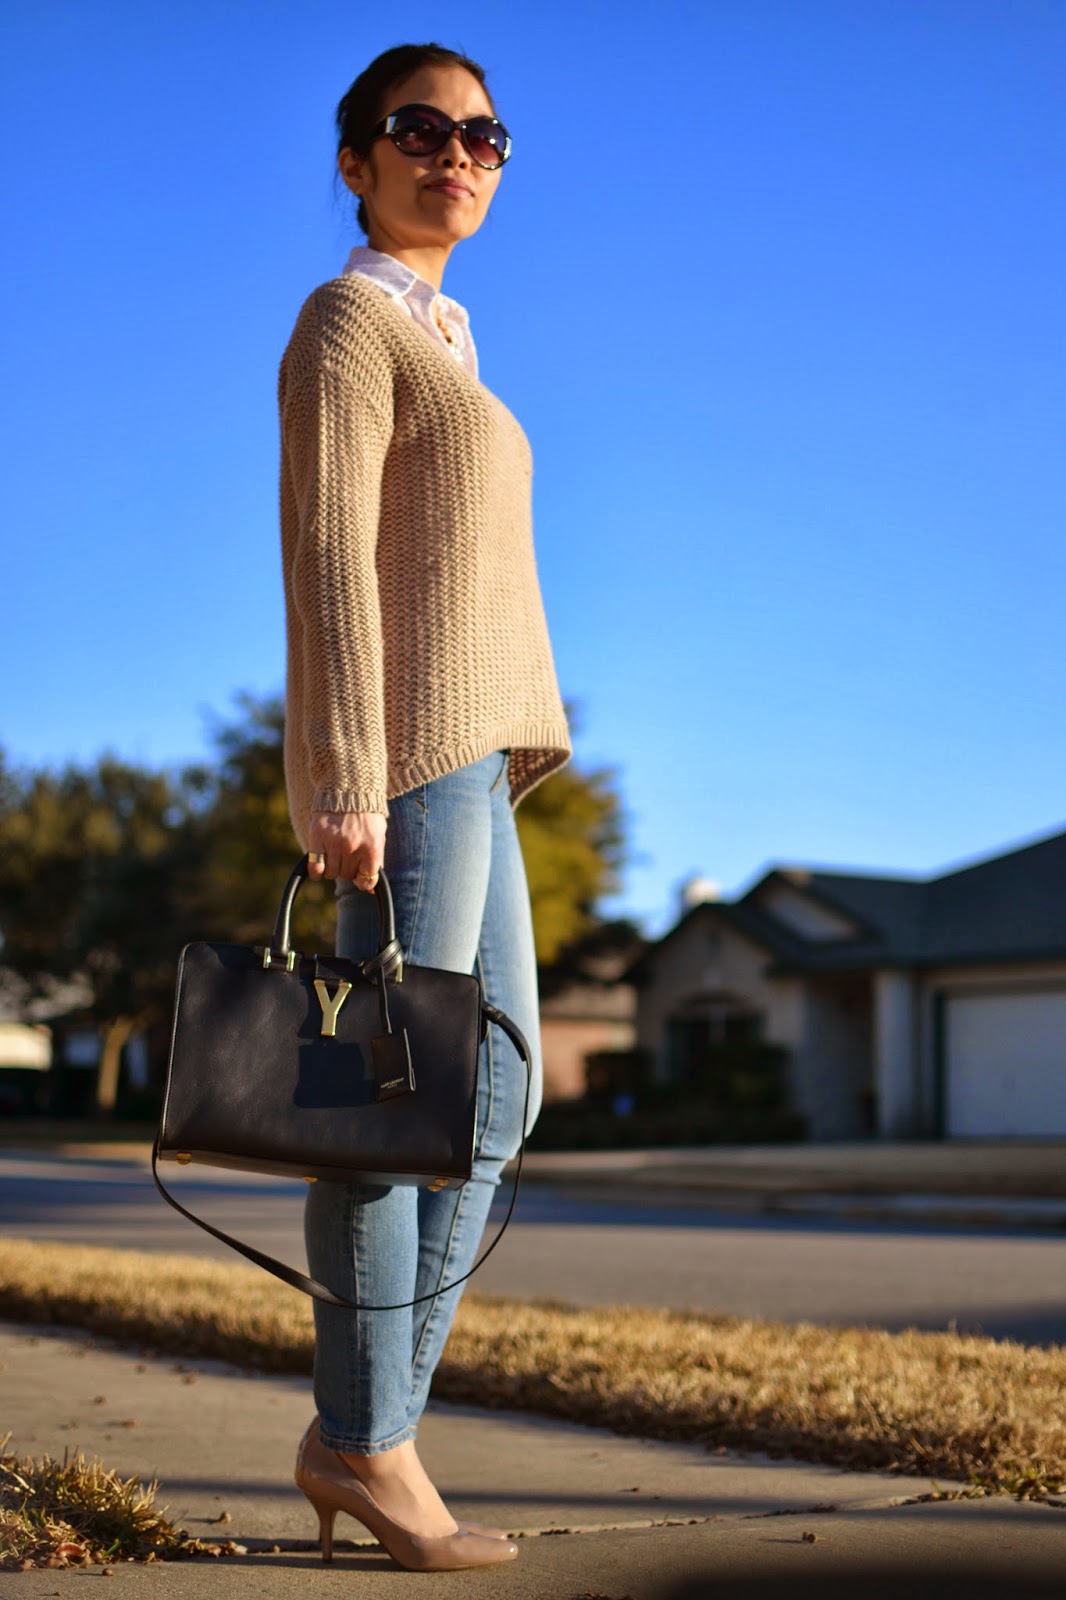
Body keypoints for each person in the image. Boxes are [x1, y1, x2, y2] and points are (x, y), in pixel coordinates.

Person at [276, 41, 572, 1572]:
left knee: (496, 1099)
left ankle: (362, 1426)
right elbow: (328, 554)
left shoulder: (448, 339)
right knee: (388, 1114)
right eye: (417, 129)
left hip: (474, 757)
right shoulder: (347, 321)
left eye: (481, 135)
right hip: (401, 765)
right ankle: (370, 1443)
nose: (454, 154)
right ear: (355, 157)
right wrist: (336, 769)